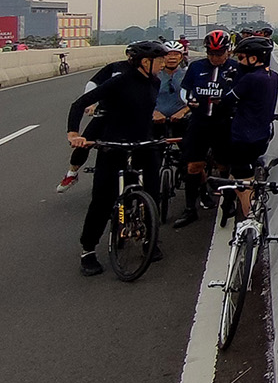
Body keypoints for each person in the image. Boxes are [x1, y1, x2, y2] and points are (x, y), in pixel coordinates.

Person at [66, 40, 170, 276]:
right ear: (145, 62)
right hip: (113, 145)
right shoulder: (121, 81)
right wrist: (74, 133)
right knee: (102, 199)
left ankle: (148, 240)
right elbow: (79, 103)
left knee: (153, 194)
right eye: (160, 60)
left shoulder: (154, 81)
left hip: (143, 144)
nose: (164, 64)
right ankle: (88, 250)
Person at [218, 36, 278, 222]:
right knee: (242, 169)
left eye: (242, 58)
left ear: (254, 58)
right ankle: (234, 203)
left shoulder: (250, 79)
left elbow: (227, 101)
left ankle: (248, 221)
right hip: (263, 136)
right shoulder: (271, 75)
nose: (239, 62)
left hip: (243, 137)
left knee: (243, 183)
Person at [172, 30, 240, 228]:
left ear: (228, 51)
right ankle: (190, 209)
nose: (215, 58)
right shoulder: (196, 67)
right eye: (211, 53)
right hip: (199, 121)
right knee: (193, 166)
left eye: (219, 54)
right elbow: (185, 89)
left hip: (224, 123)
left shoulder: (236, 69)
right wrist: (189, 101)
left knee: (223, 166)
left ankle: (227, 203)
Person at [56, 46, 141, 192]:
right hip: (107, 113)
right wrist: (91, 103)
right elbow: (93, 83)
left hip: (135, 117)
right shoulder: (115, 68)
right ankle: (72, 173)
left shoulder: (151, 73)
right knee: (85, 141)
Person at [153, 40, 192, 138]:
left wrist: (183, 112)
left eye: (176, 54)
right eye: (168, 54)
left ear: (181, 57)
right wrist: (154, 112)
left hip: (183, 119)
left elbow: (197, 97)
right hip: (156, 120)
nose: (172, 58)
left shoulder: (188, 74)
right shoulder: (154, 74)